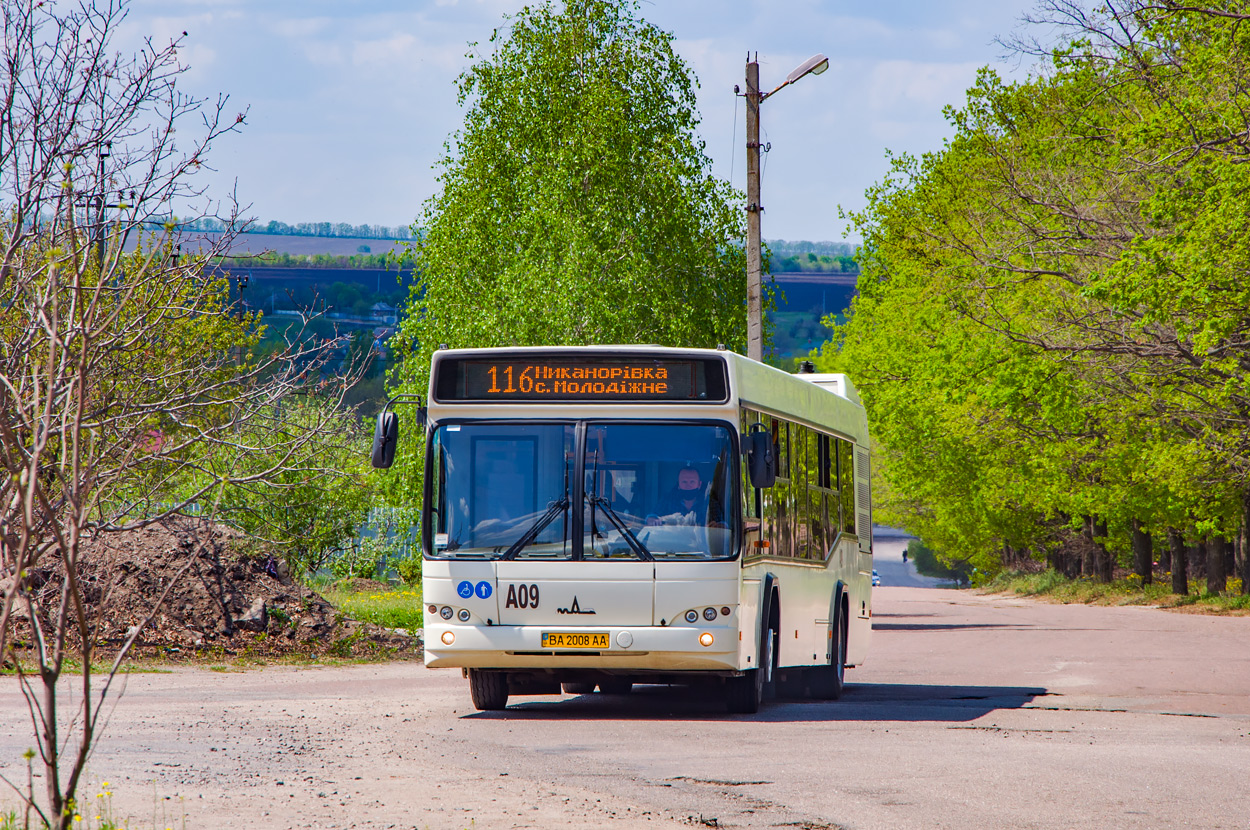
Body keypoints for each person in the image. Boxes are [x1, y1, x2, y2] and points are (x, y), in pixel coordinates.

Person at [646, 466, 724, 528]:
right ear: (678, 485)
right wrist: (652, 520)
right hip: (670, 546)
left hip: (702, 546)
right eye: (684, 482)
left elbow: (722, 524)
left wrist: (718, 526)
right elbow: (652, 516)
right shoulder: (668, 500)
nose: (688, 485)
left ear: (699, 485)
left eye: (692, 482)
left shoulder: (708, 502)